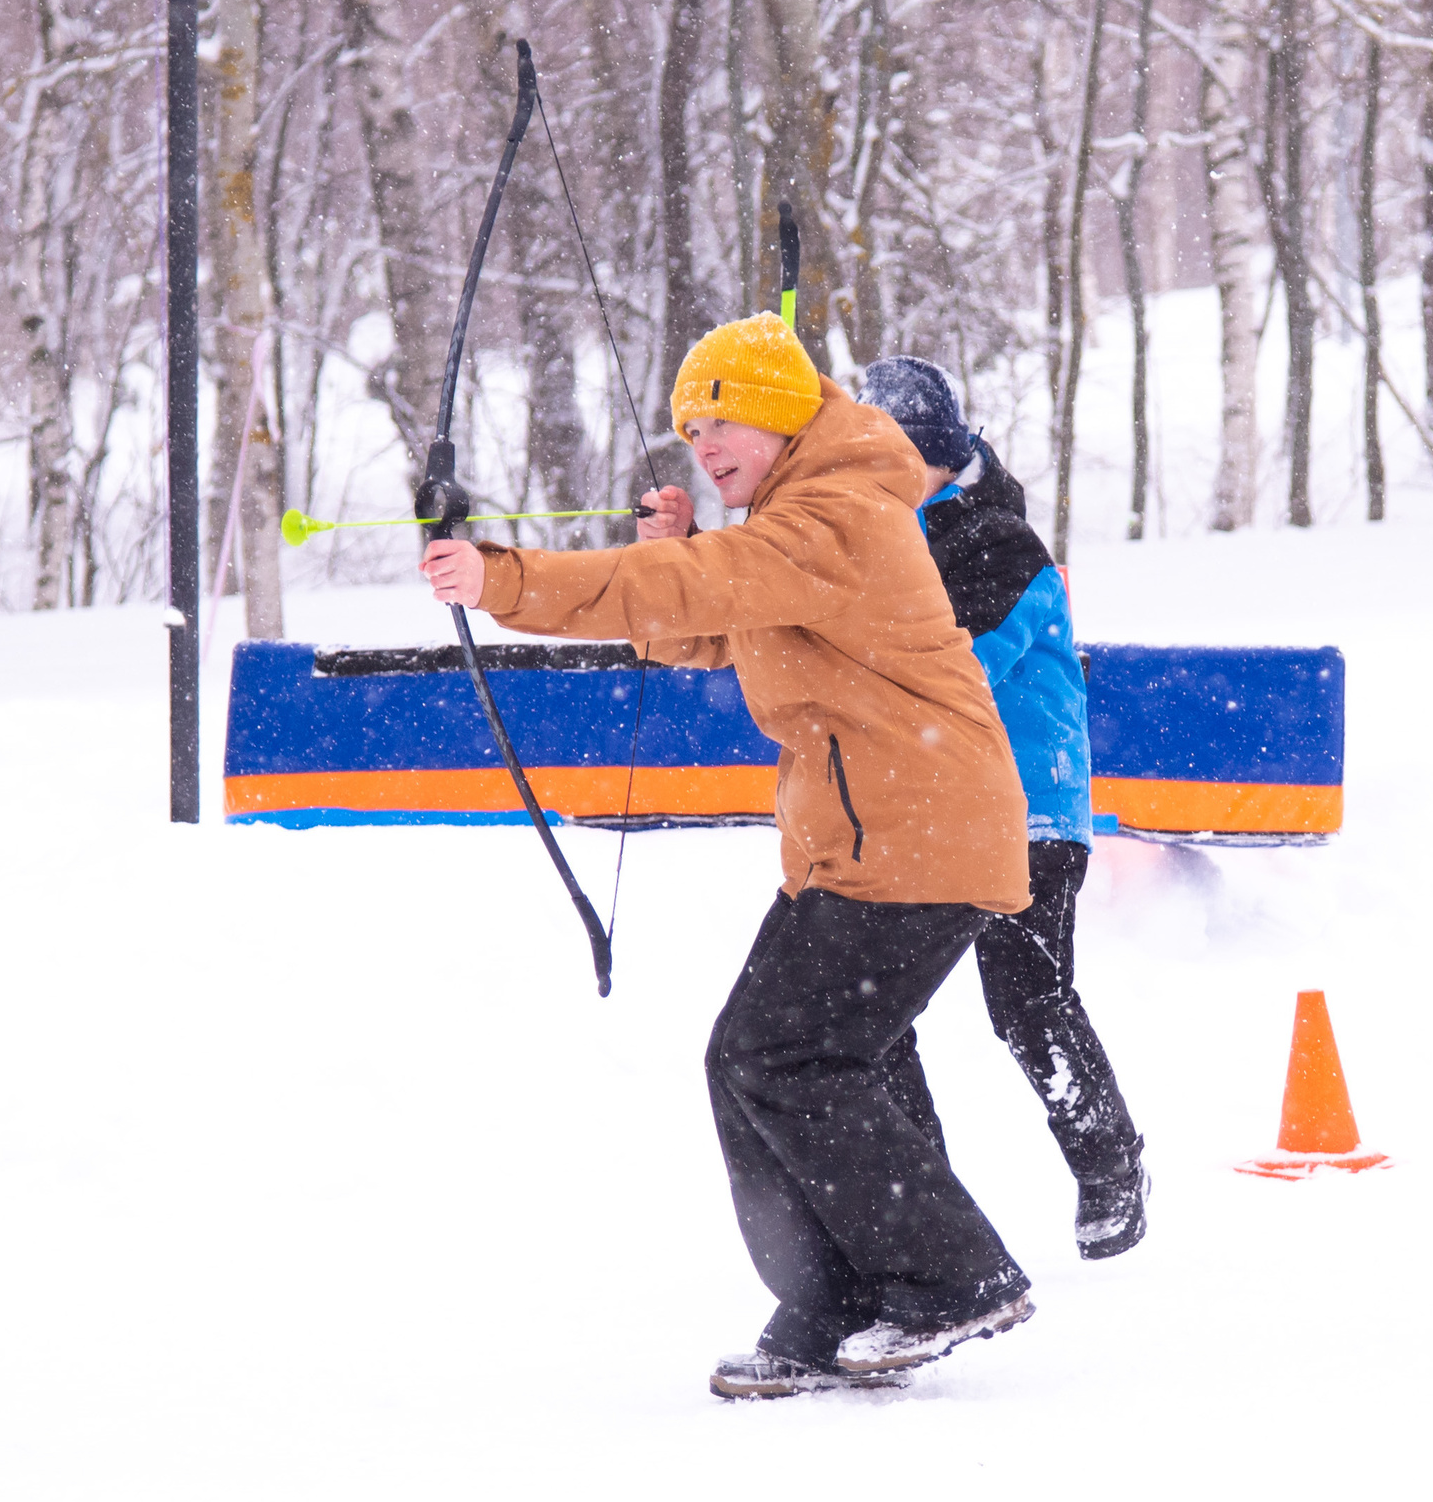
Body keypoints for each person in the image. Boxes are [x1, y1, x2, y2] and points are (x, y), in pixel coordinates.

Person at [421, 312, 1036, 1400]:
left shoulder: (837, 511)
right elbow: (712, 619)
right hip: (871, 834)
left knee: (783, 1057)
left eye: (721, 423)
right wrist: (680, 556)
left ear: (784, 414)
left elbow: (690, 591)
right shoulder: (805, 517)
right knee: (773, 1058)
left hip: (917, 828)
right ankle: (831, 1308)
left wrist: (501, 579)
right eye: (690, 431)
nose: (701, 447)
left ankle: (951, 1280)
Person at [853, 355, 1148, 1258]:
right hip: (927, 809)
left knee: (1026, 1001)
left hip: (1031, 808)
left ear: (943, 455)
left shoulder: (996, 543)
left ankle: (1110, 1164)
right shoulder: (880, 538)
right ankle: (923, 1203)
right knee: (869, 1012)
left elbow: (957, 669)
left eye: (899, 458)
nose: (881, 477)